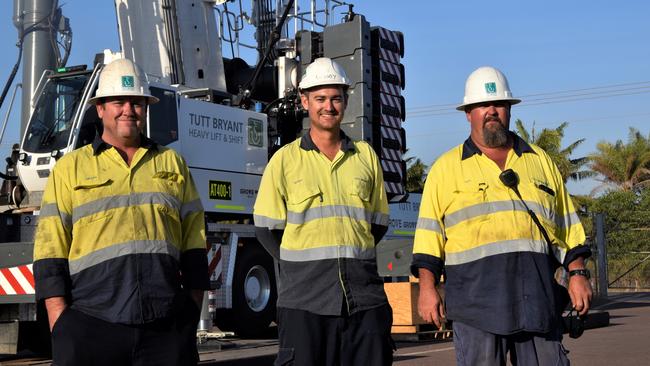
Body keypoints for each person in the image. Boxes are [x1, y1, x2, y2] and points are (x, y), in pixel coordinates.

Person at [412, 66, 593, 366]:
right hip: (476, 309)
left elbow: (569, 227)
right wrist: (427, 288)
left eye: (498, 105)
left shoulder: (540, 162)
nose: (491, 111)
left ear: (509, 109)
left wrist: (578, 274)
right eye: (482, 105)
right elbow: (429, 240)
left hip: (536, 301)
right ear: (468, 113)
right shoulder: (445, 169)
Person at [33, 58, 209, 366]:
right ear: (100, 108)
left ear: (145, 108)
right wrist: (60, 323)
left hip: (164, 329)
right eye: (118, 101)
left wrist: (190, 313)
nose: (128, 109)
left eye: (136, 102)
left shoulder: (172, 164)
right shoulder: (70, 169)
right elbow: (51, 249)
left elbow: (194, 240)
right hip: (91, 326)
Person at [253, 57, 393, 366]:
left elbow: (378, 224)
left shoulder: (366, 156)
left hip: (364, 300)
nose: (328, 106)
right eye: (320, 98)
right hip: (305, 303)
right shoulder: (284, 161)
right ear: (304, 101)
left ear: (345, 100)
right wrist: (306, 266)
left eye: (335, 98)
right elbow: (266, 230)